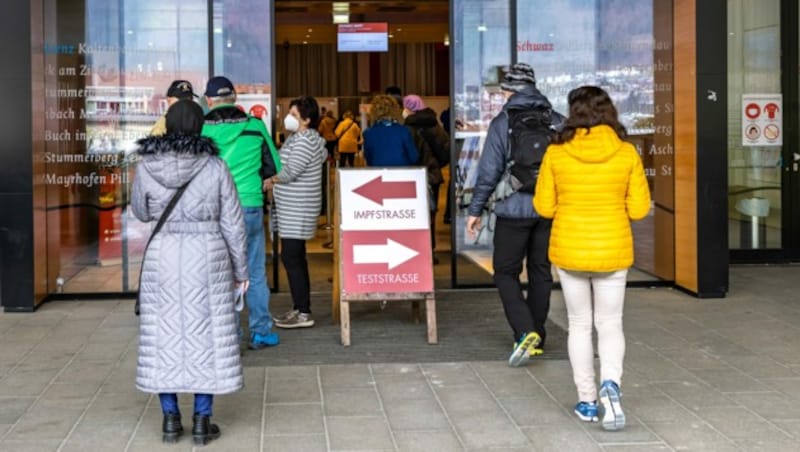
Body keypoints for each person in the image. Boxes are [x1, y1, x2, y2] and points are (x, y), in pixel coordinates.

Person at [533, 85, 651, 431]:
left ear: (573, 113)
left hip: (570, 249)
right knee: (610, 323)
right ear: (608, 111)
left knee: (580, 324)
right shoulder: (626, 152)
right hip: (612, 250)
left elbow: (543, 206)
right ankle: (610, 385)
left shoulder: (557, 153)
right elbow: (640, 208)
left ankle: (586, 401)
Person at [132, 100, 247, 446]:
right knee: (206, 336)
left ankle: (170, 418)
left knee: (161, 336)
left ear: (167, 126)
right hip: (207, 255)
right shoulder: (215, 167)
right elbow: (233, 223)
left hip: (162, 256)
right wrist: (241, 270)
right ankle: (201, 420)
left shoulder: (146, 165)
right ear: (201, 127)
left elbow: (140, 211)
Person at [465, 62, 563, 367]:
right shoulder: (558, 121)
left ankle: (525, 330)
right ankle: (537, 335)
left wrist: (475, 209)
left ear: (510, 91)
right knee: (540, 271)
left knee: (505, 272)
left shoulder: (503, 122)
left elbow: (489, 172)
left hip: (512, 209)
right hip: (548, 209)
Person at [202, 76, 281, 350]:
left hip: (216, 208)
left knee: (223, 273)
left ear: (209, 100)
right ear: (235, 98)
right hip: (249, 206)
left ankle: (230, 334)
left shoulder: (201, 130)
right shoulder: (255, 126)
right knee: (255, 271)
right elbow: (275, 167)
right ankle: (260, 331)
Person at [266, 96, 327, 329]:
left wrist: (270, 181)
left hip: (297, 208)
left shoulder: (304, 141)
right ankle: (300, 307)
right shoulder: (300, 138)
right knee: (295, 257)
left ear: (307, 119)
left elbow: (290, 171)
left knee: (291, 256)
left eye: (294, 115)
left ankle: (303, 311)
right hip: (294, 206)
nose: (288, 118)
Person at [403, 94, 450, 263]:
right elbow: (446, 150)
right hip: (432, 176)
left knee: (410, 215)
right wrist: (435, 164)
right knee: (430, 214)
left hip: (411, 176)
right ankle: (429, 251)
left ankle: (413, 251)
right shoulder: (434, 125)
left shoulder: (408, 128)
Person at [362, 94, 419, 167]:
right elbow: (414, 157)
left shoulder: (368, 133)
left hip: (379, 175)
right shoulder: (404, 131)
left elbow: (369, 160)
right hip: (403, 175)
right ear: (395, 110)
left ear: (373, 112)